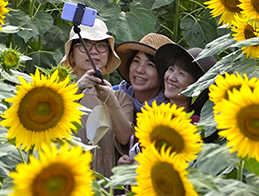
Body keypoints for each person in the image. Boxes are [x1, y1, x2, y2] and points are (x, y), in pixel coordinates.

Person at [61, 19, 134, 177]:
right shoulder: (60, 94)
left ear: (108, 53)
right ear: (71, 56)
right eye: (84, 45)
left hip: (106, 182)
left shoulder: (122, 98)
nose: (93, 51)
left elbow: (126, 139)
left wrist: (110, 100)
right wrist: (78, 88)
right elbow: (50, 121)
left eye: (101, 45)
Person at [155, 43, 217, 123]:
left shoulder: (199, 127)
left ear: (198, 86)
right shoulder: (155, 115)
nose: (171, 78)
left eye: (181, 74)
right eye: (171, 69)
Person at [114, 33, 175, 114]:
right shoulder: (112, 96)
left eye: (150, 65)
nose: (139, 70)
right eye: (136, 61)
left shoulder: (173, 110)